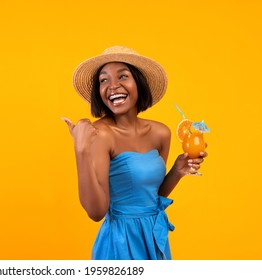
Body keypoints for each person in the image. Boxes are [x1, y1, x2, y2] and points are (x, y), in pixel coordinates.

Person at [62, 46, 208, 260]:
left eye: (123, 76)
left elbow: (152, 197)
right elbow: (95, 212)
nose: (113, 86)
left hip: (153, 236)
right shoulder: (101, 135)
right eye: (104, 80)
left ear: (138, 83)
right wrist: (81, 150)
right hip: (120, 242)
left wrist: (177, 171)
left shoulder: (160, 132)